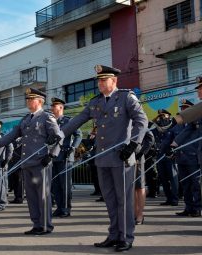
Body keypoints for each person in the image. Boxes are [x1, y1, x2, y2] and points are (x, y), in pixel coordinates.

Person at [61, 65, 148, 251]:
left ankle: (126, 237)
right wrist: (59, 134)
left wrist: (133, 145)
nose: (100, 83)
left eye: (103, 80)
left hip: (122, 157)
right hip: (102, 158)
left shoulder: (126, 97)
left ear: (114, 81)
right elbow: (78, 120)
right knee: (110, 199)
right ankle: (114, 234)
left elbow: (142, 121)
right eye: (98, 80)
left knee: (123, 199)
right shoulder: (95, 102)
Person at [0, 88, 62, 235]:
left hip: (41, 163)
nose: (28, 101)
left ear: (39, 101)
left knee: (43, 196)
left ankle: (46, 225)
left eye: (31, 99)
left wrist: (51, 155)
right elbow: (12, 134)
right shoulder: (25, 119)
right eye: (27, 99)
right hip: (27, 163)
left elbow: (58, 137)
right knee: (31, 196)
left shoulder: (47, 117)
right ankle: (36, 224)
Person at [50, 97, 82, 218]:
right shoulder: (51, 121)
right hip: (53, 157)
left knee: (65, 184)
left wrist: (73, 148)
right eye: (52, 106)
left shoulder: (69, 121)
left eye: (54, 106)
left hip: (65, 156)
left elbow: (78, 135)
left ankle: (66, 208)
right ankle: (59, 207)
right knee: (55, 184)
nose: (52, 108)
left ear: (61, 107)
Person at [170, 100, 201, 217]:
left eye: (186, 108)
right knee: (185, 184)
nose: (184, 110)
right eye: (182, 108)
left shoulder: (196, 121)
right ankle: (188, 207)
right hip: (181, 158)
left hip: (193, 157)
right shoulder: (180, 125)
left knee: (195, 184)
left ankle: (197, 208)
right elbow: (174, 138)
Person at [152, 109, 179, 206]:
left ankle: (175, 199)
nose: (161, 118)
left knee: (173, 179)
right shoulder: (156, 129)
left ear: (168, 116)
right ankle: (169, 199)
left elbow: (177, 140)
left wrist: (173, 151)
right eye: (160, 116)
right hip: (160, 156)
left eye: (163, 116)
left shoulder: (173, 127)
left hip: (170, 156)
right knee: (163, 179)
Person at [134, 129, 154, 225]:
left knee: (139, 187)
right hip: (124, 157)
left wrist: (141, 153)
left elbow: (150, 138)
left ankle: (140, 215)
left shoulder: (139, 120)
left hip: (137, 157)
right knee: (131, 188)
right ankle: (134, 213)